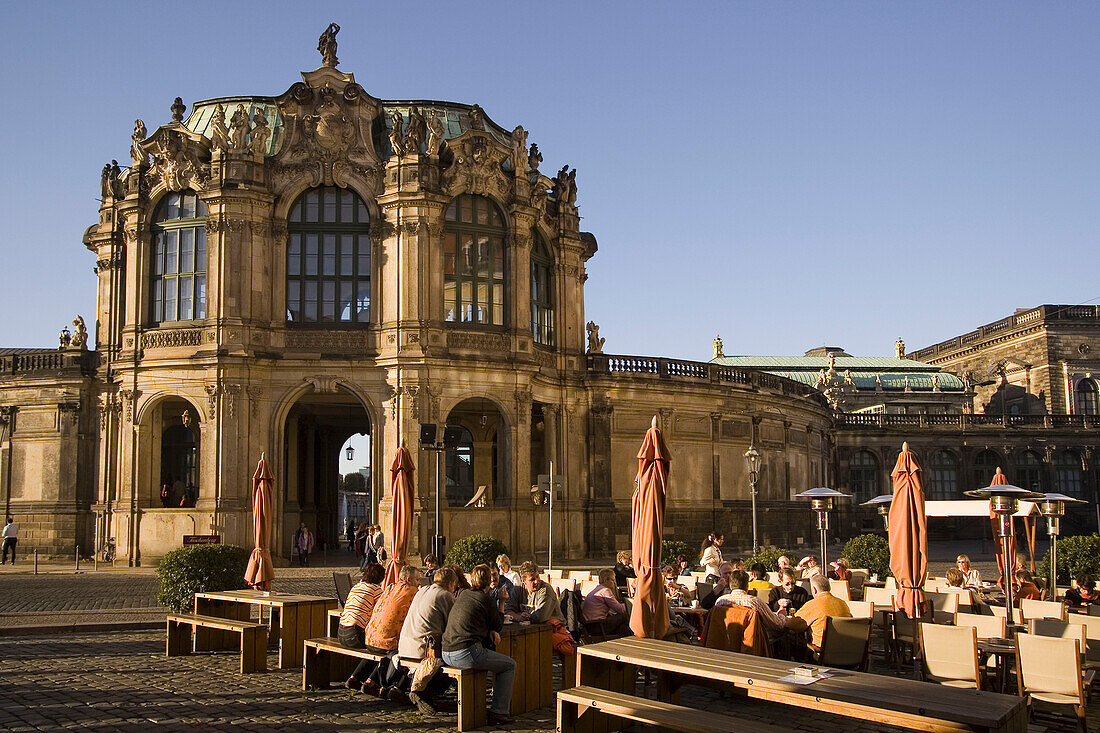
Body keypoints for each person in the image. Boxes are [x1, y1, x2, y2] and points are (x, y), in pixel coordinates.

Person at [442, 564, 516, 727]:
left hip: (446, 651)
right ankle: (498, 712)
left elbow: (474, 620)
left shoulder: (464, 594)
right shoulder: (486, 599)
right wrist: (502, 602)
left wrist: (488, 630)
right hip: (465, 653)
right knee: (509, 665)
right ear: (488, 581)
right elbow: (497, 625)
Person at [391, 566, 458, 712]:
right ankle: (424, 692)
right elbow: (454, 625)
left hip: (404, 646)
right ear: (451, 584)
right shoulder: (445, 595)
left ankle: (416, 689)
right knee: (455, 659)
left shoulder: (423, 590)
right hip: (424, 651)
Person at [352, 564, 422, 694]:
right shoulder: (413, 592)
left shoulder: (389, 587)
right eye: (417, 580)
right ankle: (391, 686)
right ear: (408, 579)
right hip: (386, 644)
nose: (419, 583)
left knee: (385, 643)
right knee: (409, 650)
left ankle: (366, 680)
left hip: (369, 639)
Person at [714, 570, 794, 633]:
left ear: (731, 586)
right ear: (747, 586)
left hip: (726, 643)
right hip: (751, 645)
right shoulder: (754, 603)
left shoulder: (720, 601)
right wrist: (781, 615)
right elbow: (777, 624)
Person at [788, 575, 852, 649]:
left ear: (814, 589)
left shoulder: (813, 604)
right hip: (846, 650)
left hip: (822, 652)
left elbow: (793, 624)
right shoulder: (843, 603)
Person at [338, 563, 385, 652]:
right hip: (355, 636)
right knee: (380, 647)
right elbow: (382, 610)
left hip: (341, 633)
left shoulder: (356, 586)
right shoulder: (375, 589)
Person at [582, 568, 630, 637]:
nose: (615, 583)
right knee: (624, 616)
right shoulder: (605, 591)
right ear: (606, 580)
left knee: (621, 627)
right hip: (597, 625)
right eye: (613, 580)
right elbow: (621, 610)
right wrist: (629, 604)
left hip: (589, 626)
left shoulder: (598, 589)